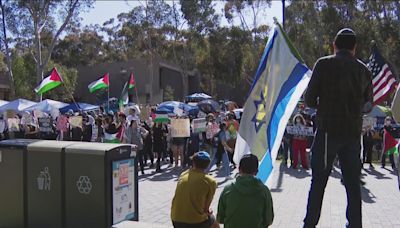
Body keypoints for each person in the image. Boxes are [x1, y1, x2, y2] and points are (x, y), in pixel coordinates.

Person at [304, 28, 373, 228]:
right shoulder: (364, 70)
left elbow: (309, 100)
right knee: (353, 184)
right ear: (355, 48)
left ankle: (310, 224)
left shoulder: (323, 64)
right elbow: (369, 104)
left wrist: (323, 106)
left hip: (327, 133)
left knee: (318, 183)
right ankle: (355, 225)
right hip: (352, 135)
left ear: (334, 45)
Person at [217, 154, 274, 228]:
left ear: (239, 169)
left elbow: (220, 218)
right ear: (257, 171)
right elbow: (269, 220)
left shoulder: (228, 189)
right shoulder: (264, 191)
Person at [171, 152, 219, 228]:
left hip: (175, 218)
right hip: (196, 222)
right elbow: (206, 208)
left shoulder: (184, 174)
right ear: (208, 165)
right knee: (214, 223)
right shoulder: (210, 181)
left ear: (193, 163)